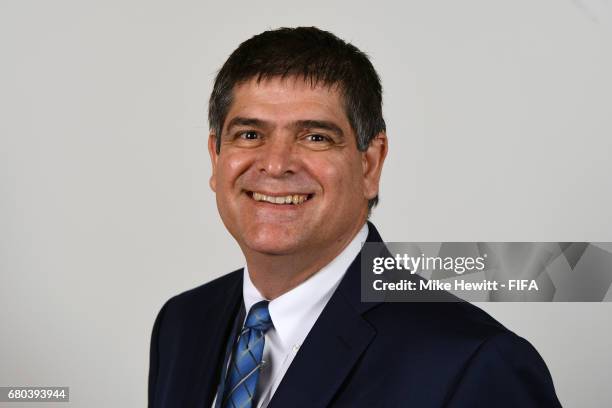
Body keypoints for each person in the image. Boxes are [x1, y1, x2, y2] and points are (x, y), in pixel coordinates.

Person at [148, 27, 562, 408]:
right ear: (216, 157)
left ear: (369, 165)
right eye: (250, 134)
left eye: (315, 137)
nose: (275, 165)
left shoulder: (475, 363)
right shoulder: (182, 324)